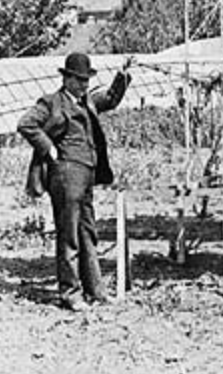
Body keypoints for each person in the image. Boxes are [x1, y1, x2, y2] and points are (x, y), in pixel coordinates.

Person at [18, 52, 131, 311]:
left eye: (86, 80)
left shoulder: (87, 102)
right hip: (65, 176)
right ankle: (70, 293)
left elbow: (111, 99)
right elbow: (26, 124)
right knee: (69, 235)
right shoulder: (51, 103)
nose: (83, 85)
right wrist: (49, 148)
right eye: (79, 80)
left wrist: (122, 76)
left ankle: (96, 291)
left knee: (87, 233)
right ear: (66, 78)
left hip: (86, 176)